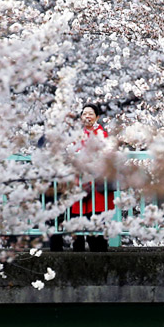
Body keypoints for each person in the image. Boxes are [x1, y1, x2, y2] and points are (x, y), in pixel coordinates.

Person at [50, 104, 113, 252]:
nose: (87, 116)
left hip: (96, 180)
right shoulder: (76, 134)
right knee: (77, 212)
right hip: (79, 180)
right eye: (84, 114)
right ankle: (78, 244)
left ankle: (98, 246)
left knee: (96, 214)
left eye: (91, 114)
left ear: (97, 117)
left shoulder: (102, 134)